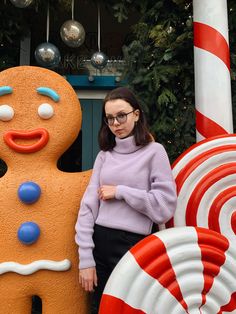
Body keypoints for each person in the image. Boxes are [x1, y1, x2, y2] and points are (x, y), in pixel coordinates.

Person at [75, 87, 177, 313]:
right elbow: (88, 207)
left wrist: (121, 191)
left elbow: (164, 207)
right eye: (110, 118)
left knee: (137, 309)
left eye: (121, 115)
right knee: (102, 309)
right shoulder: (105, 155)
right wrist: (86, 259)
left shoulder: (154, 152)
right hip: (99, 243)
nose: (116, 124)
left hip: (136, 245)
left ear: (136, 114)